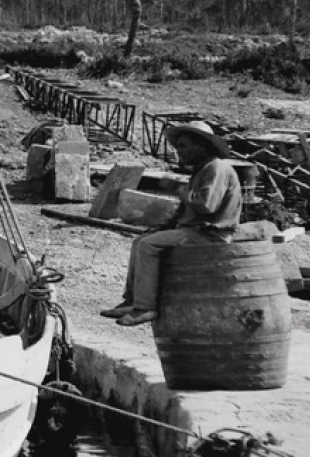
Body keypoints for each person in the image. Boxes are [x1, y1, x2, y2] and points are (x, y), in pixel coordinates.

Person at [102, 121, 242, 327]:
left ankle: (145, 307)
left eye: (183, 146)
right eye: (177, 147)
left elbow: (206, 206)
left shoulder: (217, 169)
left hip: (211, 235)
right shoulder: (202, 170)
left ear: (202, 146)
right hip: (195, 231)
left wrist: (178, 189)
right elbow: (185, 211)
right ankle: (131, 300)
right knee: (141, 240)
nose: (179, 152)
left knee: (148, 245)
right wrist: (164, 226)